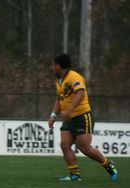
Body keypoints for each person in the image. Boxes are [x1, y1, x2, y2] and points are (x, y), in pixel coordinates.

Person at [48, 53, 118, 181]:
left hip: (82, 116)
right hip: (69, 119)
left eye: (55, 65)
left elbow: (81, 93)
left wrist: (69, 110)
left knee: (84, 148)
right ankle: (75, 175)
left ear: (59, 66)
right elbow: (59, 99)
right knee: (64, 144)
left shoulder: (74, 77)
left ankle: (108, 164)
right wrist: (53, 115)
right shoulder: (59, 81)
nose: (53, 67)